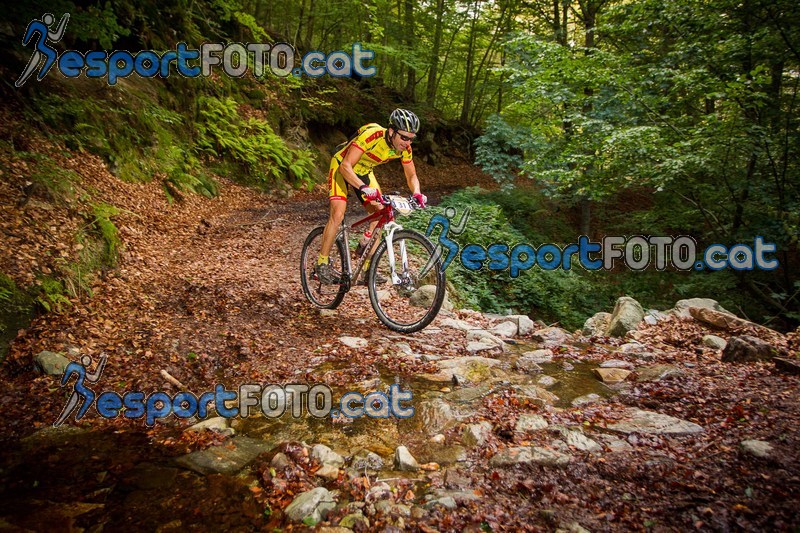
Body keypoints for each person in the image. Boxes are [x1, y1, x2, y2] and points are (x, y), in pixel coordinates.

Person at [316, 108, 427, 284]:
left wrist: (417, 193)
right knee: (338, 214)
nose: (407, 142)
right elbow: (346, 166)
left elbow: (411, 175)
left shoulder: (405, 149)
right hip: (342, 167)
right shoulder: (372, 136)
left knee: (381, 213)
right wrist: (362, 187)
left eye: (411, 139)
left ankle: (367, 269)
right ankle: (321, 263)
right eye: (404, 137)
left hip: (364, 171)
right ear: (391, 132)